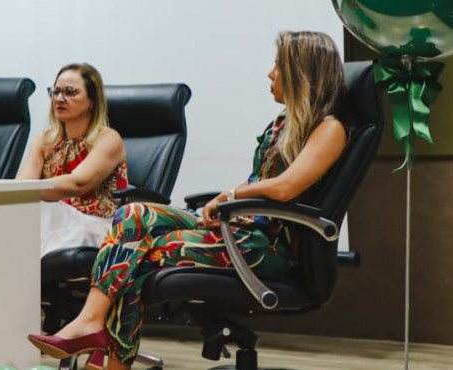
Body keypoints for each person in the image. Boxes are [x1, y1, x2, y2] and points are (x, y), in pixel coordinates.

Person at [28, 31, 348, 370]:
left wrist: (230, 197)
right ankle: (92, 325)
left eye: (278, 66)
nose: (270, 74)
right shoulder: (282, 124)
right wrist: (222, 202)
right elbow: (260, 181)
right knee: (132, 215)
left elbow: (284, 188)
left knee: (138, 256)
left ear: (301, 72)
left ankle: (109, 357)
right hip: (239, 227)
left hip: (262, 246)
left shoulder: (329, 128)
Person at [16, 63, 128, 257]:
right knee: (25, 208)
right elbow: (20, 188)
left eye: (70, 92)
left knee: (42, 208)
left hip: (97, 225)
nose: (60, 99)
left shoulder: (108, 138)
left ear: (92, 100)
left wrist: (31, 191)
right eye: (56, 92)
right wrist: (28, 192)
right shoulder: (45, 140)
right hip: (55, 223)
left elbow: (78, 183)